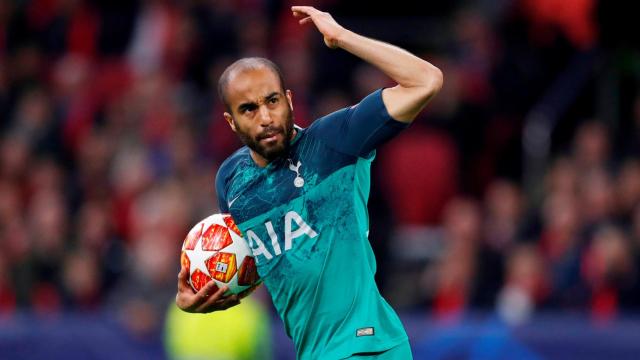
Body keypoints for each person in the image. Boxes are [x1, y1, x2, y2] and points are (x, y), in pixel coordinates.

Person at [176, 6, 443, 359]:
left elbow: (427, 80)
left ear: (289, 100)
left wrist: (342, 37)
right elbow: (262, 267)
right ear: (231, 122)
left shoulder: (335, 141)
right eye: (249, 109)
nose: (266, 117)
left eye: (272, 101)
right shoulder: (231, 183)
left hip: (370, 345)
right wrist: (205, 292)